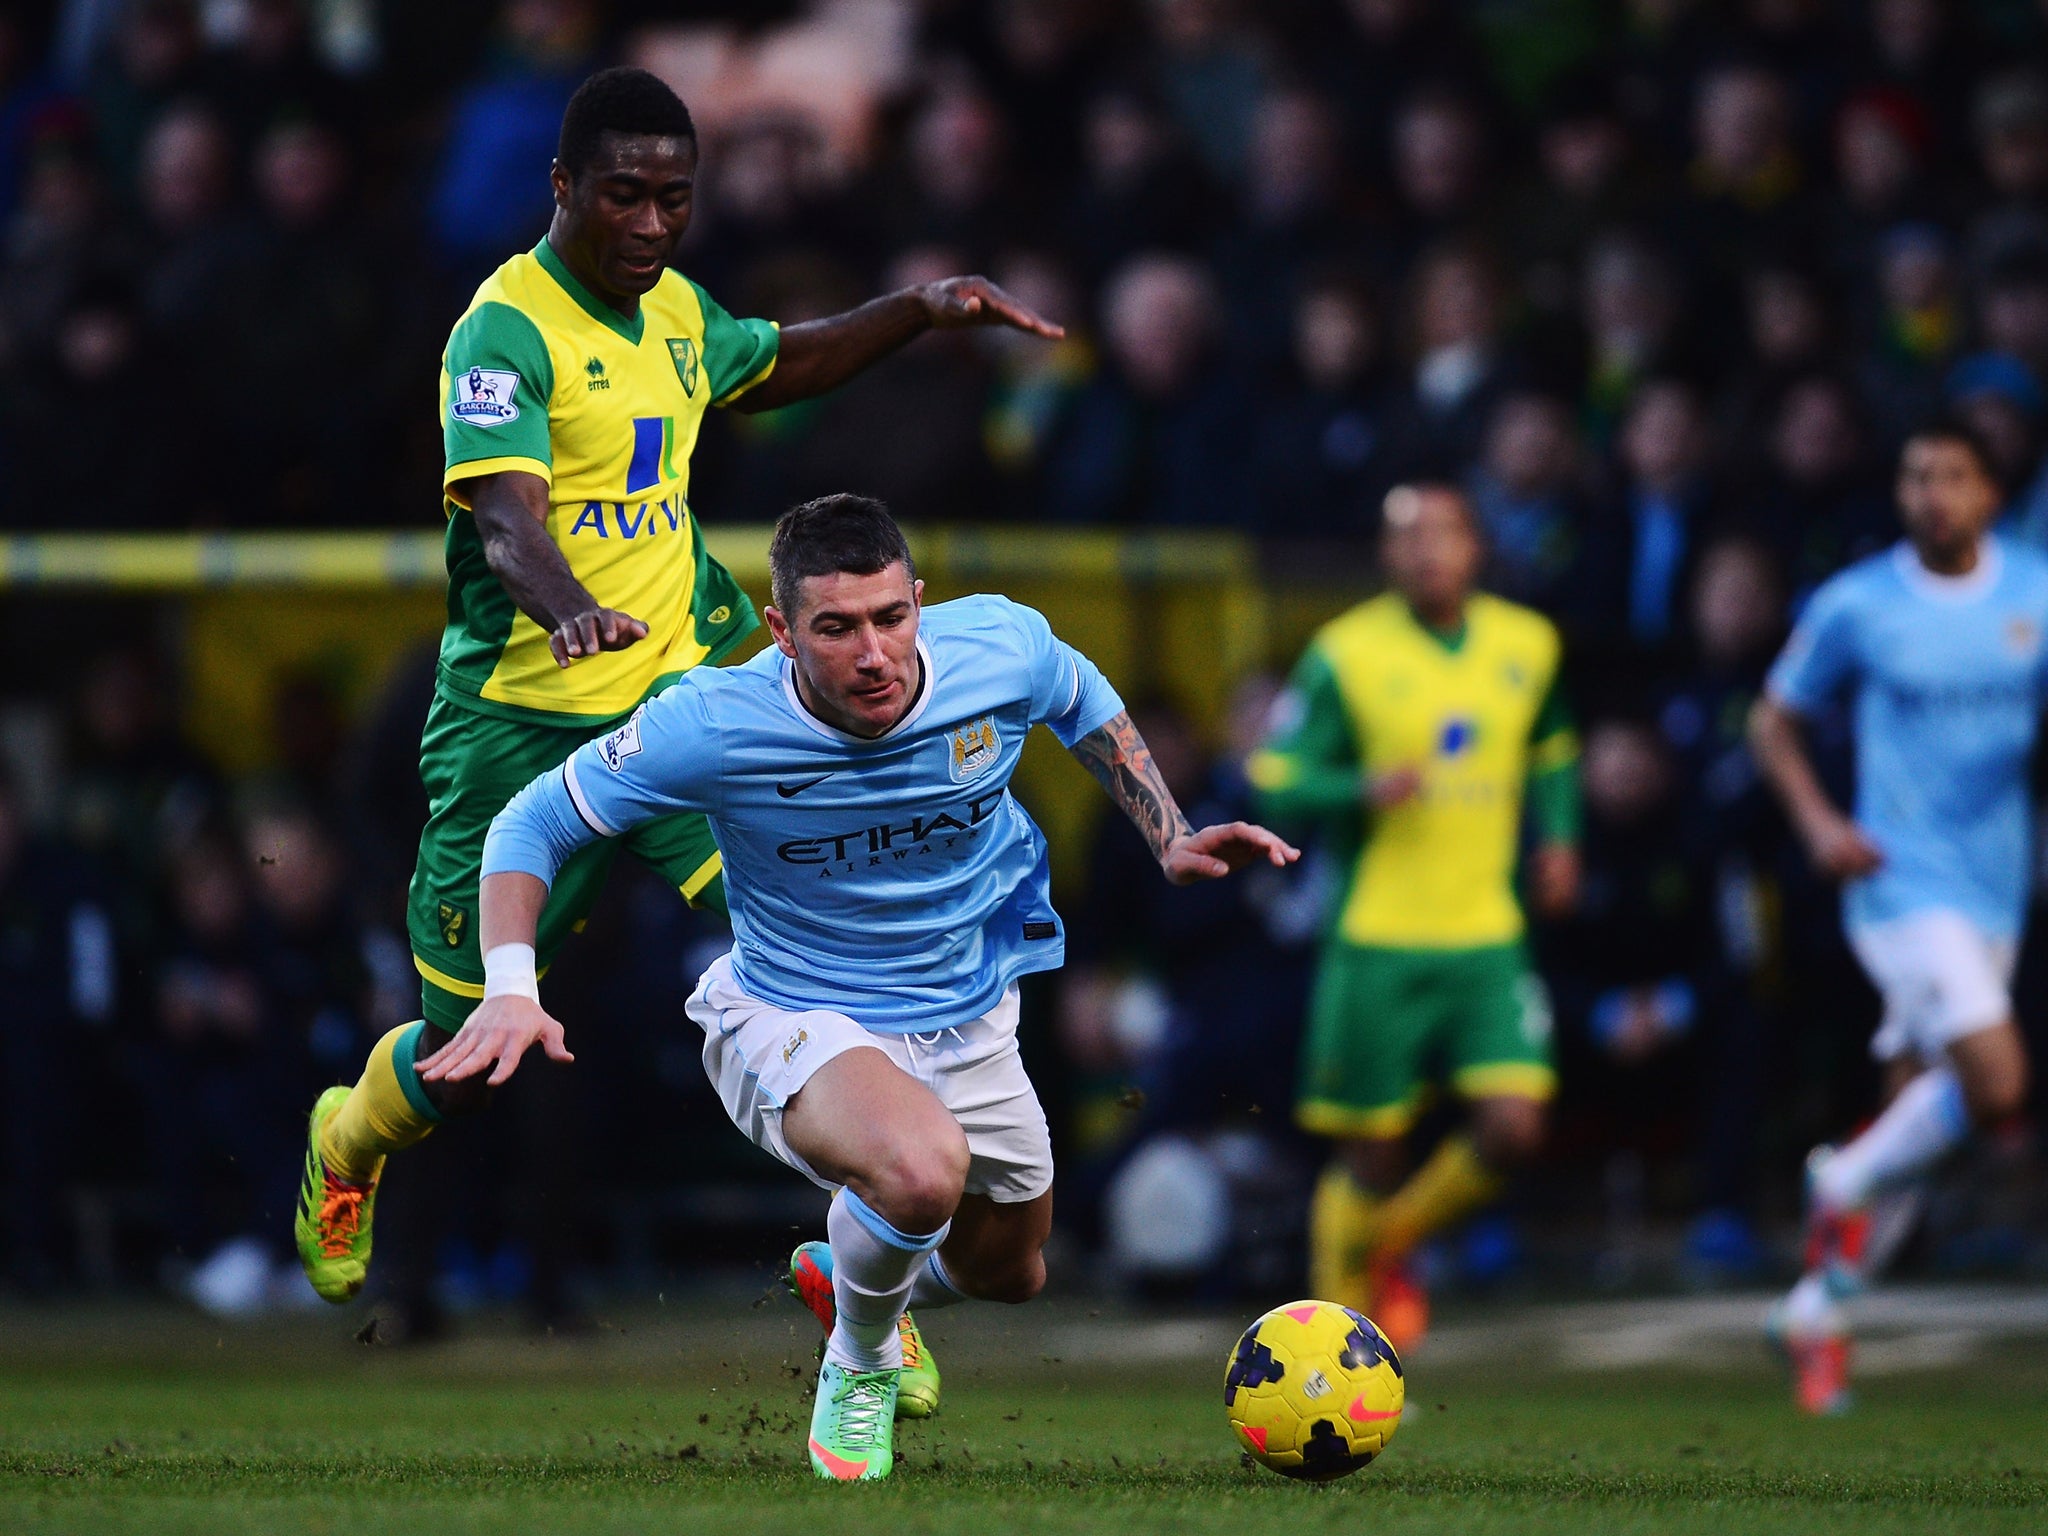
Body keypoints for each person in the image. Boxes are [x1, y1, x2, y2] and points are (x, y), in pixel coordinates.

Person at [295, 67, 1062, 1312]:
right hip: (519, 722)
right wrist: (570, 609)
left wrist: (916, 310)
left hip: (683, 699)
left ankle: (871, 1272)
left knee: (833, 950)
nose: (650, 225)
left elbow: (779, 362)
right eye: (623, 198)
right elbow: (505, 522)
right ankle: (347, 1143)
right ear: (561, 189)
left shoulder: (676, 313)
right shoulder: (503, 331)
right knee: (464, 1046)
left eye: (672, 200)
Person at [427, 494, 1295, 1479]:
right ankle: (861, 1361)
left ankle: (854, 1276)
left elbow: (1076, 691)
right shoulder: (713, 722)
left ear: (920, 601)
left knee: (1007, 1273)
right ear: (782, 630)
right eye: (836, 629)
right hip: (794, 1013)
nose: (872, 652)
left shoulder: (997, 649)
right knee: (922, 1171)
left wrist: (1168, 833)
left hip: (969, 1020)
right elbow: (530, 823)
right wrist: (507, 983)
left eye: (890, 618)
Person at [1749, 421, 2046, 1414]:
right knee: (1996, 1081)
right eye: (1914, 475)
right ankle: (1836, 1179)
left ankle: (1814, 1312)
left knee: (1922, 1101)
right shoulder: (1857, 603)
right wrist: (1820, 822)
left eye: (1950, 477)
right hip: (1895, 884)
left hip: (1993, 884)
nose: (1930, 494)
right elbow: (1770, 717)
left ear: (1987, 496)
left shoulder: (2032, 593)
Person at [1249, 482, 1581, 1351]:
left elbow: (1551, 749)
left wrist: (1560, 841)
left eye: (1443, 534)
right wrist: (1358, 788)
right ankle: (1331, 1342)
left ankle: (1392, 1241)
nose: (1426, 550)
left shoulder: (1528, 644)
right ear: (1386, 555)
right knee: (1371, 1153)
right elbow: (1275, 773)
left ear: (1476, 546)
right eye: (1407, 537)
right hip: (1376, 937)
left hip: (1486, 935)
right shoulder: (1344, 654)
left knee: (1517, 1125)